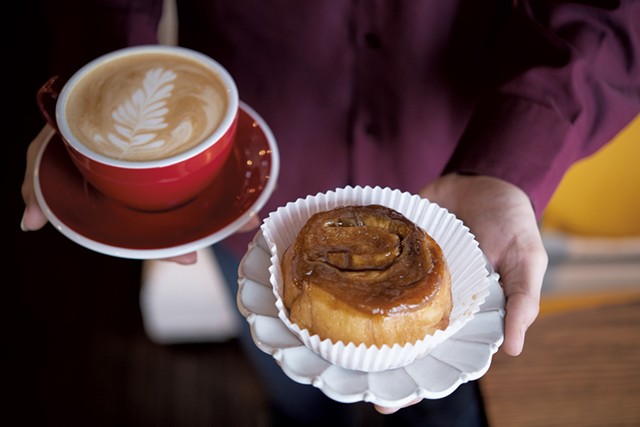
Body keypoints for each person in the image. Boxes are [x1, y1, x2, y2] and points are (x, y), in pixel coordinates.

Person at [20, 0, 640, 425]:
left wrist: (511, 156)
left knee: (442, 408)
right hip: (239, 198)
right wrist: (96, 99)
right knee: (295, 396)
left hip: (458, 175)